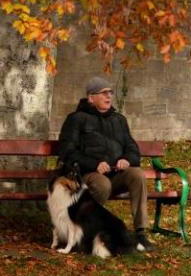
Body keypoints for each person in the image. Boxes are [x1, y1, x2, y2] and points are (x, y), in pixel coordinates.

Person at [57, 76, 154, 251]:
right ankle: (87, 232)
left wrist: (127, 159)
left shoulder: (119, 120)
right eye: (103, 93)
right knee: (102, 184)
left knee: (137, 175)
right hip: (88, 175)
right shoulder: (76, 119)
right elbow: (67, 152)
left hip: (115, 174)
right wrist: (94, 164)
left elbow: (132, 148)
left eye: (110, 92)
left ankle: (140, 232)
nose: (108, 96)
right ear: (91, 97)